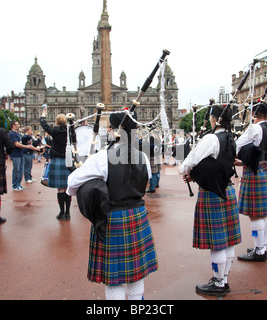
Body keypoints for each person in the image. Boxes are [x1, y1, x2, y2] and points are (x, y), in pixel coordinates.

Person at [66, 109, 158, 300]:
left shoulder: (102, 158)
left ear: (114, 130)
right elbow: (146, 181)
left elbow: (72, 183)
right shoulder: (143, 157)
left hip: (113, 218)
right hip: (138, 215)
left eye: (109, 127)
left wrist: (86, 172)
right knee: (136, 273)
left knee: (114, 278)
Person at [180, 105, 241, 297]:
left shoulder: (211, 138)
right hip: (228, 190)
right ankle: (224, 278)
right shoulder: (231, 138)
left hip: (212, 193)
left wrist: (186, 172)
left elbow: (191, 160)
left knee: (217, 242)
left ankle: (218, 282)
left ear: (215, 120)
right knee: (228, 240)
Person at [235, 101, 267, 262]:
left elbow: (237, 145)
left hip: (254, 174)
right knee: (263, 214)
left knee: (255, 215)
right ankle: (262, 247)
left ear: (253, 114)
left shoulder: (256, 128)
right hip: (263, 172)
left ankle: (259, 251)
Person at [40, 108, 72, 220]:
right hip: (68, 161)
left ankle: (61, 213)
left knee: (60, 189)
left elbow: (44, 125)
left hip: (57, 160)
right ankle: (68, 213)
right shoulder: (70, 131)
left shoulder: (55, 131)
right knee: (67, 188)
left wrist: (43, 114)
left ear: (57, 122)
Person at [9, 121, 40, 191]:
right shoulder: (12, 134)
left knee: (21, 170)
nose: (18, 125)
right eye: (17, 124)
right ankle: (15, 185)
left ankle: (18, 184)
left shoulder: (17, 134)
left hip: (20, 153)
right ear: (13, 126)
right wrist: (27, 146)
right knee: (16, 170)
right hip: (16, 154)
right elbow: (16, 144)